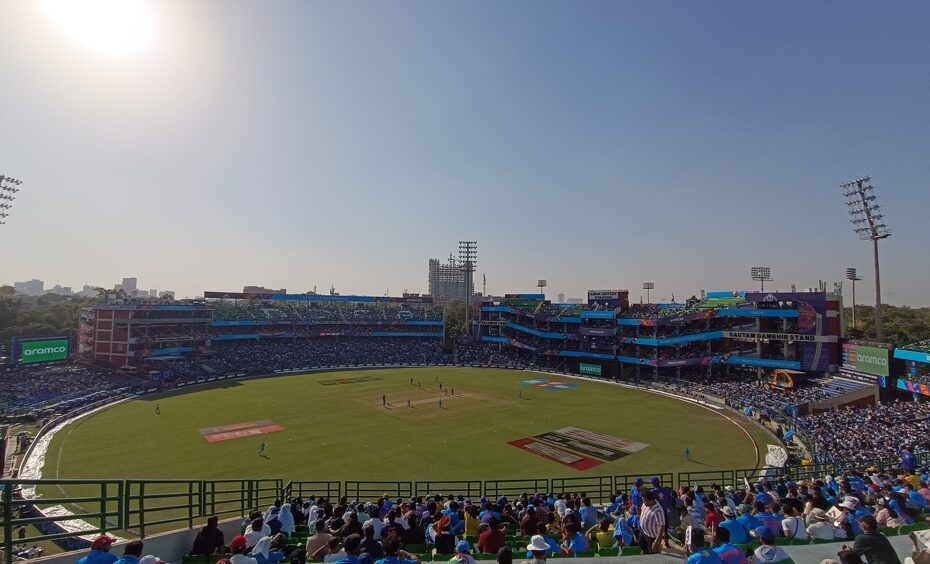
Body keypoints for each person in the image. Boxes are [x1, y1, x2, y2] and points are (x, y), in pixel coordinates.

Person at [638, 491, 666, 555]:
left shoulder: (658, 511)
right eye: (643, 500)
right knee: (641, 544)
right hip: (643, 532)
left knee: (652, 553)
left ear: (651, 500)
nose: (643, 502)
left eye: (645, 500)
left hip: (652, 537)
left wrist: (657, 541)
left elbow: (661, 527)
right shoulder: (645, 504)